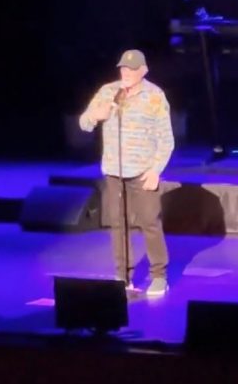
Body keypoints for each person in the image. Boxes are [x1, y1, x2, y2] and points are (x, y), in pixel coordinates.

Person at [79, 49, 174, 296]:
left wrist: (155, 170)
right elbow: (84, 122)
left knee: (149, 222)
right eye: (123, 68)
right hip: (114, 171)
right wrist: (95, 116)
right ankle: (122, 276)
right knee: (118, 224)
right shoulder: (108, 92)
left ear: (143, 70)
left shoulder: (154, 96)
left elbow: (166, 140)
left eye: (132, 69)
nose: (126, 73)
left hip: (143, 172)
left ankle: (159, 276)